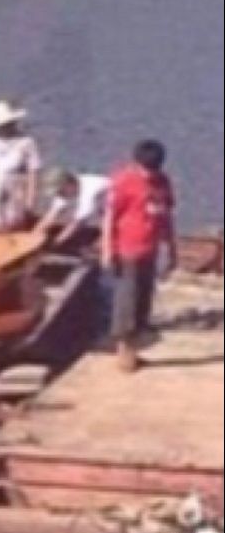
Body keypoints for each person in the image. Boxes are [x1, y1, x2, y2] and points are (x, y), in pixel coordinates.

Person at [103, 139, 179, 373]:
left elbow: (166, 216)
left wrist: (171, 248)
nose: (150, 174)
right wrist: (107, 248)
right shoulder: (124, 181)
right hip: (127, 248)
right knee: (127, 299)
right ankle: (123, 348)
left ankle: (135, 346)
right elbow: (110, 216)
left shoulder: (163, 182)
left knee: (144, 298)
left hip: (150, 248)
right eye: (146, 170)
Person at [0, 100, 44, 233]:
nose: (5, 128)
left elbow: (33, 172)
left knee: (13, 221)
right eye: (2, 126)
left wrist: (31, 198)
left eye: (8, 124)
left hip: (15, 185)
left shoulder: (26, 142)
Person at [37, 169, 110, 255]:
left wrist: (54, 243)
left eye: (60, 191)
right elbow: (51, 215)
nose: (59, 194)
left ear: (69, 185)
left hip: (116, 200)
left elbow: (75, 224)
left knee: (100, 244)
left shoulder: (88, 192)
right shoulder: (67, 189)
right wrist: (33, 235)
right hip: (103, 204)